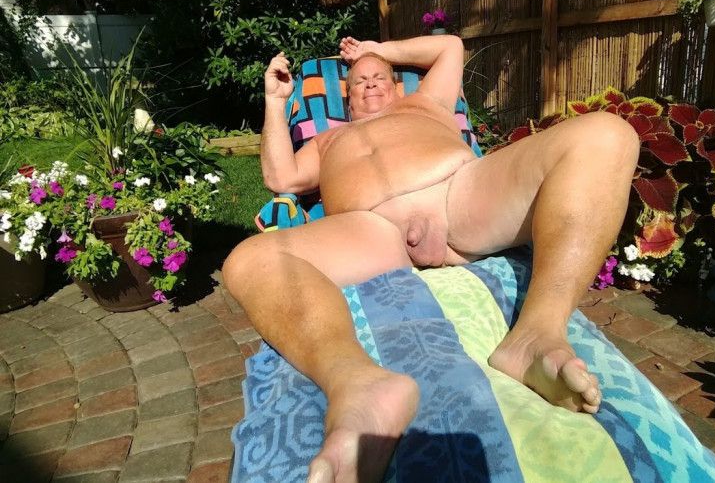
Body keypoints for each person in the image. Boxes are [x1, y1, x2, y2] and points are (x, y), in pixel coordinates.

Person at [222, 35, 640, 483]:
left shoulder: (424, 102)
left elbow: (451, 47)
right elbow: (280, 177)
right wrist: (275, 102)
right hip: (372, 228)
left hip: (461, 194)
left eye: (379, 77)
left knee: (606, 134)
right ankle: (358, 386)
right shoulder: (326, 142)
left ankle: (537, 334)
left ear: (397, 86)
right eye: (359, 81)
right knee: (247, 260)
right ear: (346, 98)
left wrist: (373, 48)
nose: (370, 83)